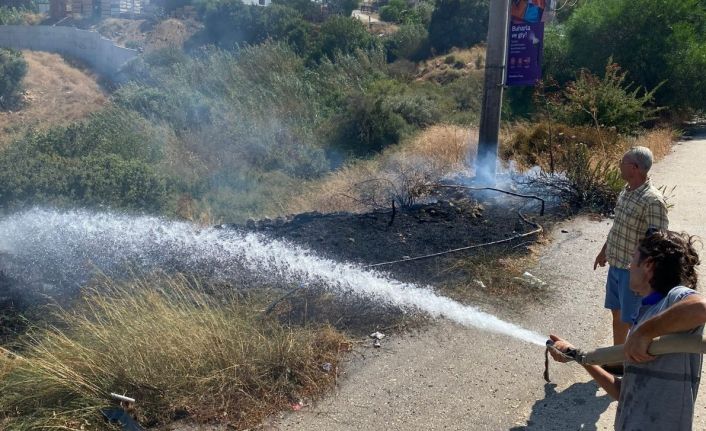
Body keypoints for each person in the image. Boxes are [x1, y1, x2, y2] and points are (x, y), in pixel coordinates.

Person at [551, 230, 706, 431]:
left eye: (633, 259)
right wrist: (576, 355)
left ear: (648, 265)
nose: (629, 266)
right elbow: (625, 392)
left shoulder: (672, 299)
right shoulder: (645, 313)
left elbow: (701, 307)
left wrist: (644, 333)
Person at [594, 146, 668, 346]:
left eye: (622, 163)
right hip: (616, 267)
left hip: (632, 272)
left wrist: (643, 273)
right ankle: (618, 359)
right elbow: (618, 227)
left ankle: (634, 364)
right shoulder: (626, 193)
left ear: (634, 168)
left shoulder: (652, 200)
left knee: (634, 320)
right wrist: (604, 251)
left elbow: (657, 242)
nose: (619, 166)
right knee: (617, 315)